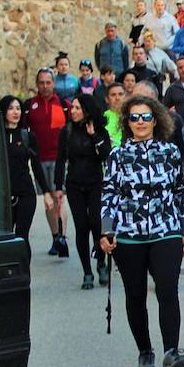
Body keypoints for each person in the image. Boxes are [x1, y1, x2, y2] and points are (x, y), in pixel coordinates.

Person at [99, 95, 184, 367]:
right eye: (135, 117)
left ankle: (171, 352)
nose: (141, 122)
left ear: (156, 120)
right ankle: (145, 350)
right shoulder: (117, 155)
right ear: (127, 122)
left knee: (167, 290)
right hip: (129, 235)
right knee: (135, 295)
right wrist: (106, 229)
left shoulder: (170, 152)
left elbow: (180, 192)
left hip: (166, 230)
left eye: (146, 117)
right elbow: (109, 193)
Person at [56, 94, 113, 290]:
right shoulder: (67, 131)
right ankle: (87, 271)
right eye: (72, 108)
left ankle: (101, 263)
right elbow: (60, 160)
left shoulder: (100, 131)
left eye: (77, 108)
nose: (73, 111)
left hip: (96, 183)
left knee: (97, 224)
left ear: (87, 110)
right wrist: (57, 188)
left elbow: (108, 155)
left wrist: (94, 136)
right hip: (74, 185)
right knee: (81, 227)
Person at [0, 95, 53, 249]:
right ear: (3, 111)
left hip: (25, 194)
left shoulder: (28, 136)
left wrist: (46, 192)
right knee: (5, 236)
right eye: (11, 108)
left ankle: (23, 272)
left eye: (18, 108)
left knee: (22, 236)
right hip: (3, 194)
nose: (16, 112)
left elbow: (36, 165)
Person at [25, 68, 70, 257]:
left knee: (60, 198)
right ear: (37, 84)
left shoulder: (64, 104)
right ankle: (54, 236)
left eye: (48, 82)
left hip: (60, 160)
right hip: (39, 160)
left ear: (54, 83)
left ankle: (63, 238)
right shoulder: (29, 106)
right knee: (48, 201)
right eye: (41, 82)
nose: (45, 86)